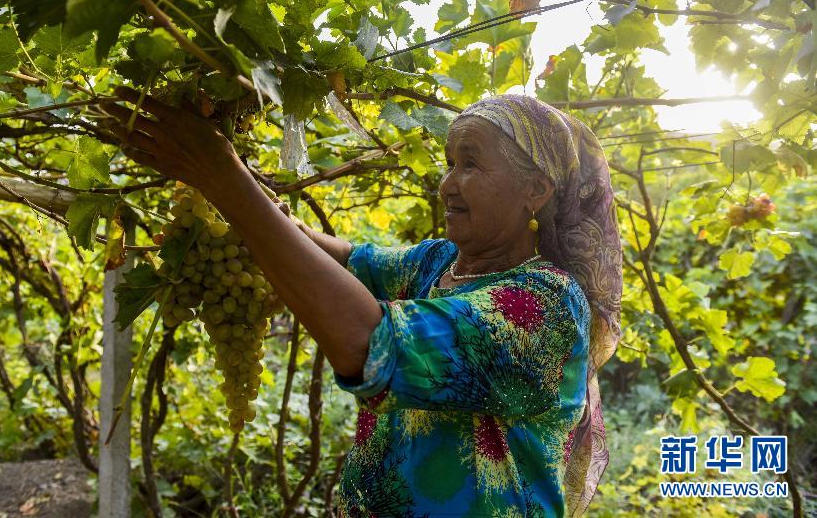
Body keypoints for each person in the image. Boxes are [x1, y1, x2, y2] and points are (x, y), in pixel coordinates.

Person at [106, 91, 623, 517]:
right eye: (449, 164)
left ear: (535, 188)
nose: (447, 184)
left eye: (471, 163)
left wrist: (226, 181)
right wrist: (248, 198)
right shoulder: (439, 261)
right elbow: (351, 260)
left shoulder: (546, 307)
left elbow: (369, 343)